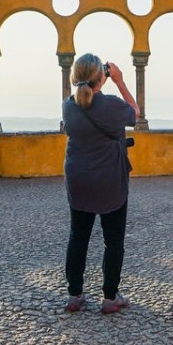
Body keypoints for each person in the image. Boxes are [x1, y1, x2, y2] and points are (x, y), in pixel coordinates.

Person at [61, 53, 139, 314]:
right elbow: (135, 113)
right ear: (100, 77)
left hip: (78, 178)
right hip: (109, 179)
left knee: (78, 236)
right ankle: (109, 298)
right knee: (113, 240)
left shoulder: (68, 106)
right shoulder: (112, 105)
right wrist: (119, 80)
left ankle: (75, 295)